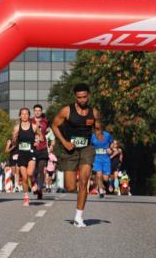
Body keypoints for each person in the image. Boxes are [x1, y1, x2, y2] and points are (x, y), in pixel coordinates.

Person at [51, 84, 101, 227]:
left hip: (87, 148)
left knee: (84, 181)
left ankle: (78, 217)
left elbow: (97, 128)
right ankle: (76, 182)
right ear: (75, 97)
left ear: (89, 95)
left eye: (84, 97)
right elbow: (54, 126)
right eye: (79, 97)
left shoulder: (94, 112)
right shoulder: (66, 111)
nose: (82, 100)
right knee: (71, 187)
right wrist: (64, 142)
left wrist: (100, 136)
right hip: (70, 150)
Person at [5, 108, 39, 207]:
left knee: (29, 173)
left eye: (26, 114)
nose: (24, 116)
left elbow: (41, 137)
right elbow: (14, 143)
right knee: (23, 178)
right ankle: (26, 197)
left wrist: (38, 141)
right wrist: (15, 139)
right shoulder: (16, 128)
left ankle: (33, 181)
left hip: (31, 152)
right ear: (20, 116)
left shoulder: (34, 127)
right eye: (22, 114)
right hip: (21, 154)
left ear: (29, 115)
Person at [31, 104, 50, 201]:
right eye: (36, 110)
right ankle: (34, 183)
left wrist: (46, 131)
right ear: (34, 111)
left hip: (42, 148)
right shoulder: (30, 121)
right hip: (32, 149)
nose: (37, 112)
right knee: (33, 170)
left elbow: (48, 130)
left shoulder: (45, 121)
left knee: (41, 168)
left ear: (41, 112)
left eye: (39, 110)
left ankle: (40, 188)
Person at [91, 128, 114, 198]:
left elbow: (112, 143)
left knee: (105, 178)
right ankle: (101, 191)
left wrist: (111, 149)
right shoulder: (92, 136)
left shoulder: (107, 135)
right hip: (97, 158)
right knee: (98, 174)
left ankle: (108, 183)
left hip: (106, 159)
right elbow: (89, 145)